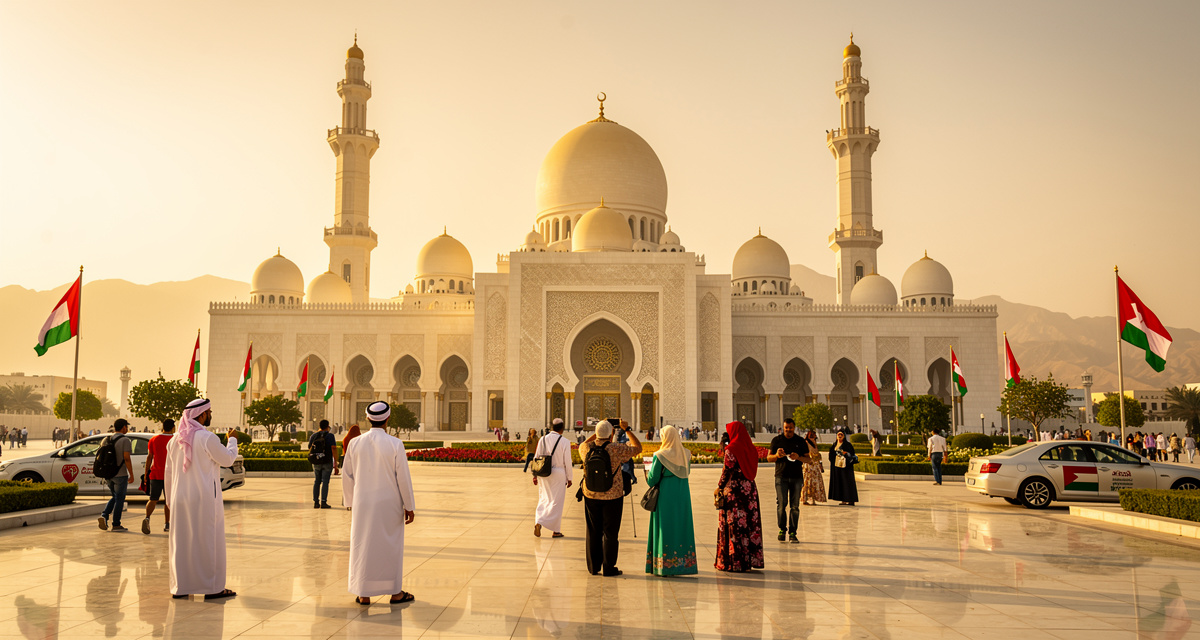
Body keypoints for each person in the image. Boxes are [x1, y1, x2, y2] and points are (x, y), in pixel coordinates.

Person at [343, 401, 417, 605]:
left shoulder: (355, 443)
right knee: (390, 546)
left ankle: (363, 593)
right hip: (389, 504)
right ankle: (395, 593)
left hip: (363, 503)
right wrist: (409, 506)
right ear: (387, 420)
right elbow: (403, 478)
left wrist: (350, 502)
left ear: (367, 419)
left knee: (363, 544)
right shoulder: (395, 444)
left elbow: (347, 475)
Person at [166, 398, 239, 600]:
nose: (210, 415)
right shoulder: (207, 438)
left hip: (180, 499)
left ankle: (180, 587)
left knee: (182, 543)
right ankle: (212, 587)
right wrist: (232, 440)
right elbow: (227, 459)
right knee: (208, 542)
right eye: (209, 412)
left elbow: (168, 473)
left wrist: (170, 501)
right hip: (204, 499)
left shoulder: (174, 441)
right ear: (202, 414)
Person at [579, 419, 642, 576]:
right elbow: (638, 448)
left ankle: (593, 567)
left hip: (591, 494)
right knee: (610, 532)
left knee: (593, 531)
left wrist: (598, 433)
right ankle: (609, 567)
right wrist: (626, 429)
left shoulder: (586, 448)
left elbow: (583, 443)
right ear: (611, 433)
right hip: (613, 495)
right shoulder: (616, 449)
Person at [645, 425, 697, 576]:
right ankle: (684, 564)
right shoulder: (686, 454)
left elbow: (652, 479)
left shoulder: (660, 455)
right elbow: (686, 472)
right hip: (682, 495)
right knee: (681, 526)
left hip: (665, 496)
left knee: (665, 527)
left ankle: (665, 565)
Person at [715, 421, 764, 572]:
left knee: (735, 525)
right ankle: (748, 561)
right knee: (749, 524)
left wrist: (719, 487)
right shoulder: (751, 449)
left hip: (734, 492)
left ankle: (735, 562)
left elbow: (727, 471)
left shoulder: (731, 449)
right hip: (750, 491)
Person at [766, 418, 805, 543]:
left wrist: (798, 457)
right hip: (781, 477)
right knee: (781, 504)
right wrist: (777, 456)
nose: (788, 430)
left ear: (794, 427)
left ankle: (793, 532)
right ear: (783, 428)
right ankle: (782, 529)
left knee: (795, 506)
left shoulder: (800, 441)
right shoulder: (777, 440)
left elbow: (809, 459)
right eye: (786, 428)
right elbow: (768, 458)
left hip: (796, 477)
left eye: (790, 428)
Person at [533, 418, 572, 538]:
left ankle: (538, 521)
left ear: (551, 427)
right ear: (562, 428)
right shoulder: (564, 441)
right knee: (556, 502)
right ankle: (555, 530)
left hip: (544, 473)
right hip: (558, 473)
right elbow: (567, 461)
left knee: (544, 498)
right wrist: (569, 478)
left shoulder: (543, 439)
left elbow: (537, 457)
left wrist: (535, 475)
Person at [97, 418, 134, 532]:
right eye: (126, 426)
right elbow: (126, 458)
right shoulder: (125, 440)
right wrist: (131, 474)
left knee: (115, 497)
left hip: (108, 475)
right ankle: (116, 524)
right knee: (120, 499)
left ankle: (104, 515)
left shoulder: (106, 439)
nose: (127, 428)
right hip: (120, 474)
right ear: (123, 427)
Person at [141, 418, 175, 535]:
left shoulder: (154, 439)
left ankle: (147, 518)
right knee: (168, 501)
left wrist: (146, 473)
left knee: (153, 499)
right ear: (173, 427)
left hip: (155, 474)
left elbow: (149, 457)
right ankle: (167, 524)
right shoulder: (175, 440)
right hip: (170, 475)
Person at [309, 420, 339, 509]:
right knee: (325, 482)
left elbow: (309, 447)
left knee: (317, 481)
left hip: (316, 461)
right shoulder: (330, 436)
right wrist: (336, 463)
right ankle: (323, 502)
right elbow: (333, 448)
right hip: (327, 461)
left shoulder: (314, 435)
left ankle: (316, 502)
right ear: (327, 426)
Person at [827, 430, 859, 506]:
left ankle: (850, 500)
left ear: (844, 436)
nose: (840, 436)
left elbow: (851, 454)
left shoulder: (847, 445)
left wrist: (845, 454)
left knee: (847, 483)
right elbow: (831, 455)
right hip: (837, 468)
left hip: (846, 468)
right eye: (839, 434)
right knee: (840, 484)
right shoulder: (835, 445)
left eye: (841, 434)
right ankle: (843, 500)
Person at [800, 429, 826, 505]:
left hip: (815, 465)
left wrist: (820, 464)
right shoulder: (806, 443)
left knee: (815, 482)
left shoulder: (814, 443)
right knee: (807, 482)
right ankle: (805, 498)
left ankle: (813, 498)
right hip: (808, 465)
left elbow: (817, 454)